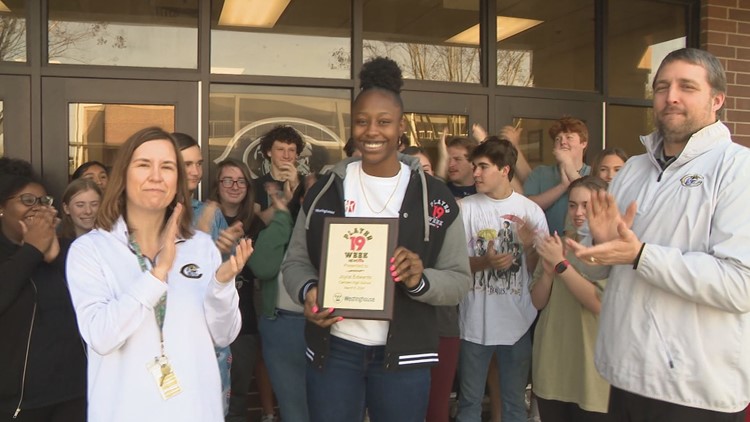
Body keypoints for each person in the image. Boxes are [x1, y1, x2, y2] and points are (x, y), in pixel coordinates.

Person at [282, 56, 471, 422]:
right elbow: (295, 262)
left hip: (404, 355)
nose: (372, 131)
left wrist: (420, 280)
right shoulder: (326, 189)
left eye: (384, 122)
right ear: (351, 126)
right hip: (334, 349)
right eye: (362, 121)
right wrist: (309, 292)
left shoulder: (434, 197)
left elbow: (459, 281)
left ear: (401, 128)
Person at [567, 48, 750, 421]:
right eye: (662, 87)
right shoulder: (634, 169)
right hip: (625, 377)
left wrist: (640, 256)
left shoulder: (737, 169)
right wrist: (600, 246)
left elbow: (740, 284)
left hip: (694, 391)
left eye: (687, 86)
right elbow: (599, 269)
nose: (672, 97)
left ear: (717, 100)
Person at [66, 127, 252, 422]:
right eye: (144, 165)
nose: (156, 176)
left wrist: (221, 284)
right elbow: (101, 336)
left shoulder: (201, 247)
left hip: (195, 409)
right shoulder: (91, 250)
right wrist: (158, 272)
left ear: (177, 180)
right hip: (125, 411)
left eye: (166, 167)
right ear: (123, 176)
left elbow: (224, 334)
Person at [456, 138, 547, 422]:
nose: (476, 173)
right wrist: (486, 261)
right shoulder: (464, 209)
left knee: (514, 405)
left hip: (517, 324)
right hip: (473, 323)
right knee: (469, 403)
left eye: (483, 167)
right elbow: (452, 266)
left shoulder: (530, 212)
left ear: (505, 169)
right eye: (474, 166)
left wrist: (530, 248)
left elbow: (538, 275)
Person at [0, 157, 87, 421]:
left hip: (74, 395)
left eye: (43, 201)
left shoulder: (70, 251)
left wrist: (55, 255)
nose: (37, 208)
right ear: (2, 207)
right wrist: (32, 250)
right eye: (27, 200)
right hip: (19, 405)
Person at [529, 176, 613, 422]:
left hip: (592, 375)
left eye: (586, 205)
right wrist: (546, 273)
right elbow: (537, 302)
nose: (578, 213)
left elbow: (597, 303)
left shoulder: (612, 249)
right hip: (552, 367)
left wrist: (560, 265)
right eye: (573, 205)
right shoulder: (559, 245)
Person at [173, 132, 242, 414]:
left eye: (199, 164)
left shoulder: (211, 212)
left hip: (212, 336)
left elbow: (223, 277)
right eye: (187, 164)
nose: (196, 172)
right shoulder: (151, 217)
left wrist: (227, 252)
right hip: (172, 342)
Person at [207, 158, 269, 422]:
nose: (234, 186)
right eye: (227, 180)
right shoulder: (204, 218)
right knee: (207, 393)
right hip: (207, 321)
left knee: (238, 397)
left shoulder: (255, 223)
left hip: (243, 322)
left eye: (240, 180)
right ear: (217, 185)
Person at [249, 177, 311, 422]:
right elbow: (261, 267)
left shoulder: (340, 228)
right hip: (283, 327)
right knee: (294, 409)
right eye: (311, 191)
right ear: (302, 198)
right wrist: (283, 217)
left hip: (329, 327)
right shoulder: (284, 225)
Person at [524, 117, 591, 234]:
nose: (563, 142)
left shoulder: (593, 173)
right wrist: (563, 186)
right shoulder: (540, 173)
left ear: (583, 143)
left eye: (569, 137)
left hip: (583, 244)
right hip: (545, 245)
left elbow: (595, 203)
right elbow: (528, 208)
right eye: (558, 139)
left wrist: (568, 165)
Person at [253, 125, 306, 225]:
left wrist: (296, 186)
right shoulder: (256, 185)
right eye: (280, 149)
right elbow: (255, 225)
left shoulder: (308, 184)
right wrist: (284, 199)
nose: (286, 155)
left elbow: (312, 220)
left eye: (291, 150)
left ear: (297, 154)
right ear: (269, 152)